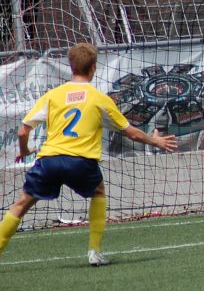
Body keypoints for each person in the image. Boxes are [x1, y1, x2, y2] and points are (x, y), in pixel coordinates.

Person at [0, 43, 178, 265]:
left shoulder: (53, 95)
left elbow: (23, 130)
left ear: (71, 65)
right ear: (93, 67)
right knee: (98, 192)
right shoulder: (99, 99)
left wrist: (25, 150)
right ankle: (94, 251)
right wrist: (156, 140)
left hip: (49, 160)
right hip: (81, 163)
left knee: (21, 204)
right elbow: (131, 133)